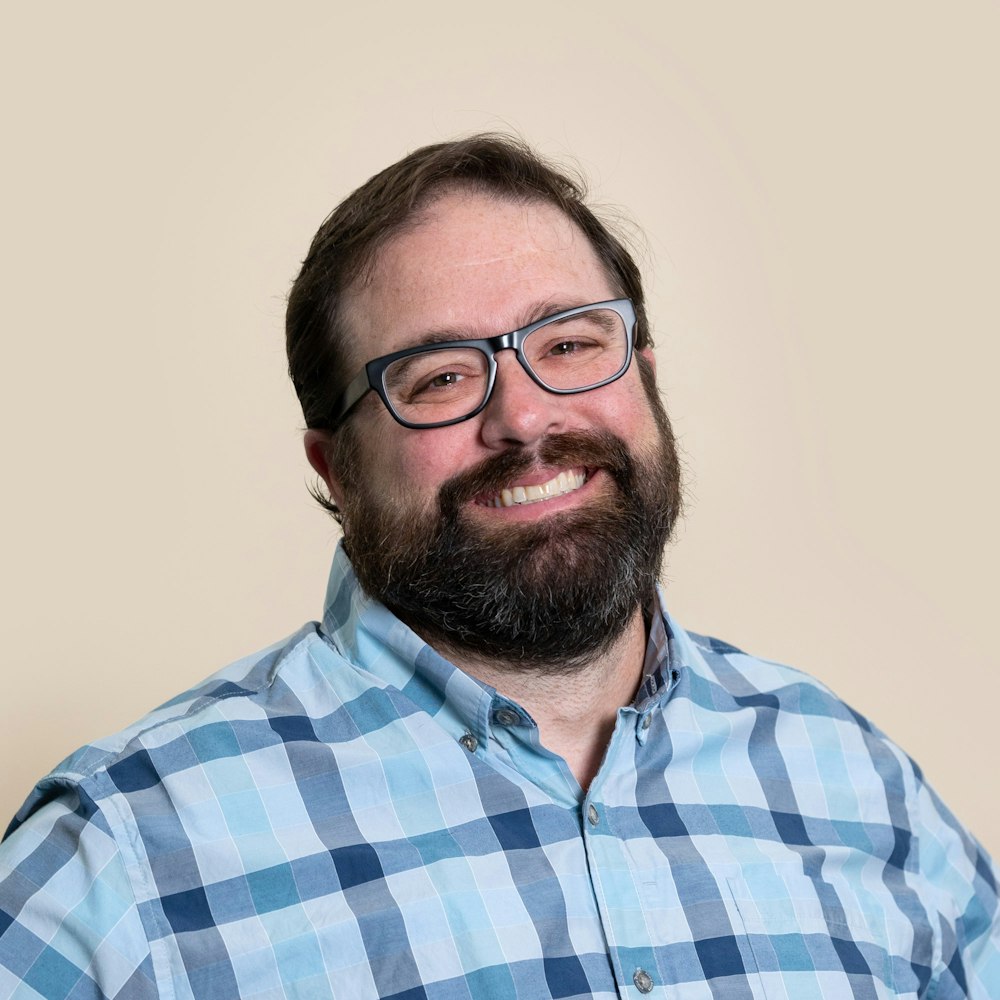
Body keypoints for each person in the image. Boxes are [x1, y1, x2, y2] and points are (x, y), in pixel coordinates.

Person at [1, 135, 997, 1000]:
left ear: (643, 377)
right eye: (439, 376)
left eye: (570, 343)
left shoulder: (855, 785)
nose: (524, 417)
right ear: (334, 467)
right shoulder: (125, 849)